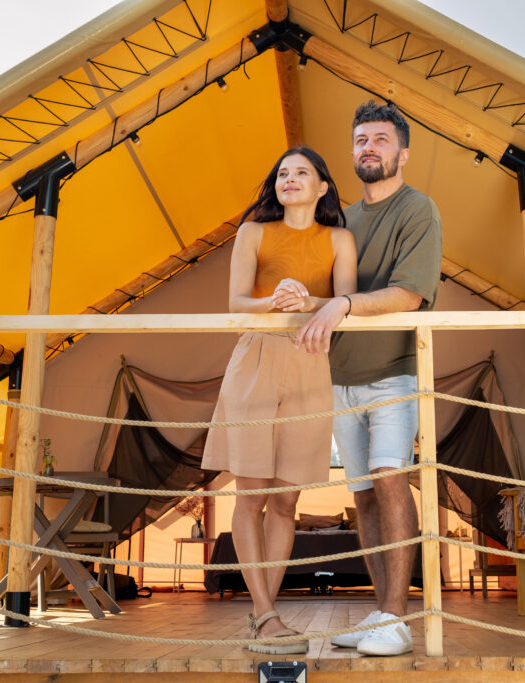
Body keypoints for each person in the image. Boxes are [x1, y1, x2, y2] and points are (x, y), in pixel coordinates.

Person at [296, 101, 443, 656]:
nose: (369, 148)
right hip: (339, 376)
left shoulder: (419, 209)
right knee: (363, 498)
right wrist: (302, 296)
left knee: (390, 481)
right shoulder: (340, 220)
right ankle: (382, 612)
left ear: (402, 153)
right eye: (361, 139)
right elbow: (323, 293)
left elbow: (409, 294)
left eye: (381, 139)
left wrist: (344, 304)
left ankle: (398, 620)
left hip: (393, 374)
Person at [202, 146, 356, 655]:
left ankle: (264, 613)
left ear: (322, 187)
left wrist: (307, 300)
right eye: (283, 173)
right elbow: (235, 303)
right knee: (251, 495)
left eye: (301, 172)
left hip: (311, 360)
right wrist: (275, 300)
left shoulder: (340, 239)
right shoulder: (252, 232)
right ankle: (266, 613)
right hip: (256, 357)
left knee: (288, 500)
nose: (289, 179)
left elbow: (346, 302)